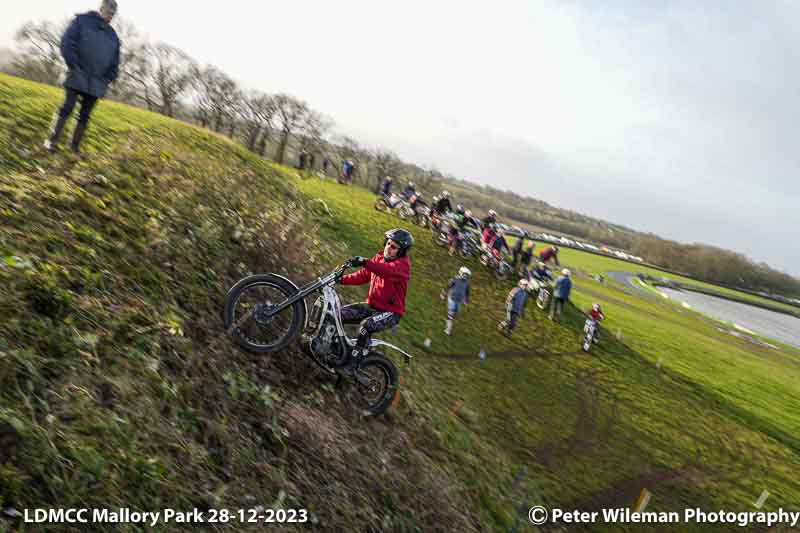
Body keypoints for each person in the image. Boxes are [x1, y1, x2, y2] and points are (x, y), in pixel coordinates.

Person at [44, 0, 120, 155]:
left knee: (85, 116)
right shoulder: (82, 21)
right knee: (67, 108)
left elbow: (115, 61)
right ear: (101, 8)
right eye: (108, 11)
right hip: (77, 73)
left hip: (97, 82)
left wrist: (108, 78)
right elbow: (67, 42)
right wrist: (73, 64)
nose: (110, 15)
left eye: (113, 13)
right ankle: (51, 142)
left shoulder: (114, 36)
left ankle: (74, 148)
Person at [337, 228, 413, 375]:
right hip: (372, 306)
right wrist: (340, 279)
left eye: (393, 247)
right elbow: (362, 276)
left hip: (391, 312)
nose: (388, 248)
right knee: (337, 314)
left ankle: (352, 367)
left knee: (367, 325)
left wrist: (365, 261)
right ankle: (337, 352)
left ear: (401, 251)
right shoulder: (378, 258)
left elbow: (385, 271)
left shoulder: (402, 266)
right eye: (388, 244)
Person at [442, 266, 471, 336]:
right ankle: (448, 329)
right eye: (464, 274)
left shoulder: (467, 283)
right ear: (460, 273)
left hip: (459, 301)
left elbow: (467, 292)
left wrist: (466, 300)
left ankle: (449, 320)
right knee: (451, 314)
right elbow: (448, 286)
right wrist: (444, 294)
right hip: (452, 299)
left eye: (467, 275)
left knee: (456, 312)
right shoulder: (455, 279)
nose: (465, 276)